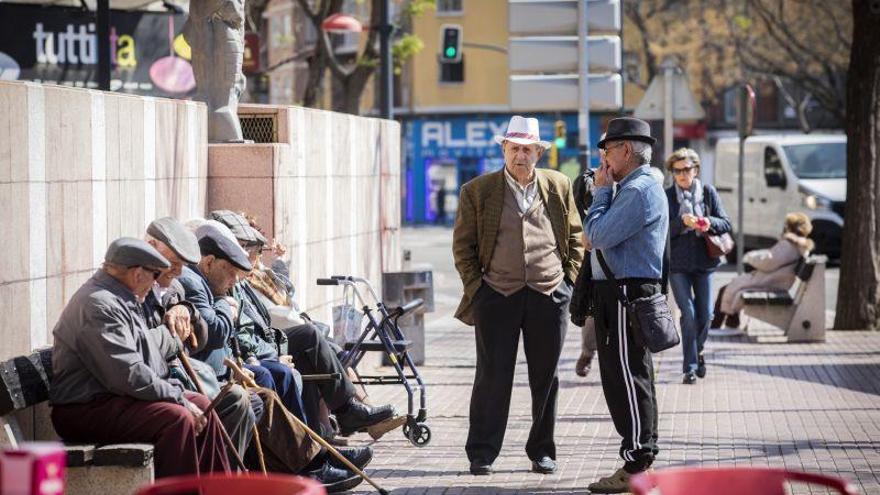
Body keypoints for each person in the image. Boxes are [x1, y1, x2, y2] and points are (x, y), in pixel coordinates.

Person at [452, 115, 584, 476]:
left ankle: (541, 450)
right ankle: (482, 452)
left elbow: (575, 237)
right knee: (492, 376)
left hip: (548, 293)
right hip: (497, 294)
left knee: (546, 378)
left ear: (538, 153)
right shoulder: (478, 190)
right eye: (514, 148)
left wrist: (567, 281)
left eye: (527, 149)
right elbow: (463, 247)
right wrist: (478, 290)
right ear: (503, 150)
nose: (520, 155)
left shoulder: (558, 185)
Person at [50, 237, 230, 478]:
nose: (157, 282)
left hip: (114, 399)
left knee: (202, 404)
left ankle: (219, 488)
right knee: (178, 418)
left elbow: (148, 360)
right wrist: (178, 399)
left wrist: (178, 393)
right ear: (137, 274)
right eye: (155, 275)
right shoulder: (99, 304)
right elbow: (128, 374)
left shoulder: (122, 297)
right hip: (85, 408)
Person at [206, 210, 395, 439]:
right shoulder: (230, 280)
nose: (249, 255)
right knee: (304, 345)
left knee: (316, 344)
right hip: (259, 348)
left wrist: (278, 263)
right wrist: (275, 353)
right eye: (245, 246)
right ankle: (323, 432)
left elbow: (285, 291)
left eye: (253, 249)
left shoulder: (250, 275)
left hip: (269, 338)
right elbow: (243, 334)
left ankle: (333, 425)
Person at [583, 117, 668, 493]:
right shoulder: (633, 186)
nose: (604, 159)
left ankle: (637, 461)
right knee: (624, 376)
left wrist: (601, 192)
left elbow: (595, 236)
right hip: (619, 293)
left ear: (626, 150)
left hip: (625, 294)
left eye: (608, 150)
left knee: (628, 379)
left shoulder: (637, 190)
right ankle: (637, 456)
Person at [143, 217, 261, 461]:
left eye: (181, 265)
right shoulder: (125, 295)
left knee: (252, 396)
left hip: (172, 378)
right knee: (232, 400)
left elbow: (198, 335)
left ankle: (227, 478)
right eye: (173, 263)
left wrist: (187, 309)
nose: (178, 272)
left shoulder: (172, 287)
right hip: (144, 391)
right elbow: (139, 355)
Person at [664, 148, 731, 384]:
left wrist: (706, 222)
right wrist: (681, 223)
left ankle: (698, 350)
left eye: (687, 169)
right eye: (677, 171)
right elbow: (660, 231)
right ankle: (689, 368)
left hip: (705, 263)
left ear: (696, 170)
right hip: (678, 266)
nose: (682, 175)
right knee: (689, 314)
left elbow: (725, 223)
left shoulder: (708, 193)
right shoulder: (667, 196)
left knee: (707, 315)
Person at [710, 213, 814, 329]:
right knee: (732, 288)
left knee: (727, 288)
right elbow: (773, 258)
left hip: (771, 282)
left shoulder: (789, 244)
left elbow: (768, 262)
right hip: (775, 280)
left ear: (789, 227)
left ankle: (716, 327)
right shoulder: (796, 245)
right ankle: (731, 324)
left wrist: (751, 257)